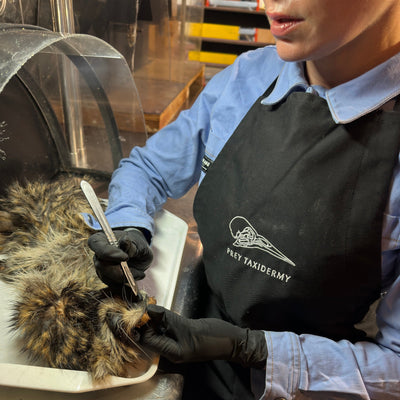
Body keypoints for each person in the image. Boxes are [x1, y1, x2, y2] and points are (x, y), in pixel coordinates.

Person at [86, 0, 400, 398]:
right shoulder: (250, 77)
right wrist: (128, 224)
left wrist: (252, 349)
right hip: (186, 352)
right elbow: (147, 168)